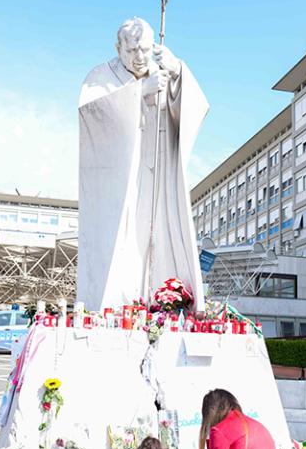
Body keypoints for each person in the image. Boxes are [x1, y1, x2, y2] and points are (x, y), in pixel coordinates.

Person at [77, 17, 208, 313]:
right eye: (133, 49)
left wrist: (178, 75)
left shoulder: (162, 71)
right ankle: (116, 305)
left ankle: (165, 301)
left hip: (159, 170)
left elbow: (192, 110)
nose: (139, 57)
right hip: (121, 179)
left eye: (145, 49)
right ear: (118, 47)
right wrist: (140, 93)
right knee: (124, 241)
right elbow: (94, 116)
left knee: (161, 232)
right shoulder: (100, 77)